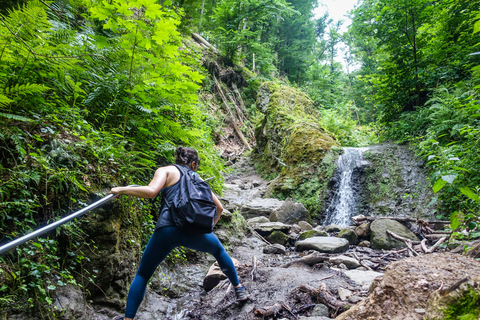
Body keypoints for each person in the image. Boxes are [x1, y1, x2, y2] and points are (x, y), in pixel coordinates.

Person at [110, 146, 247, 320]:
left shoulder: (165, 171)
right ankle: (239, 289)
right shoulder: (197, 178)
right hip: (195, 231)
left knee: (143, 274)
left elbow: (151, 192)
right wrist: (206, 229)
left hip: (168, 229)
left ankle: (128, 318)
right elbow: (219, 208)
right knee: (219, 251)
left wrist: (121, 190)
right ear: (193, 163)